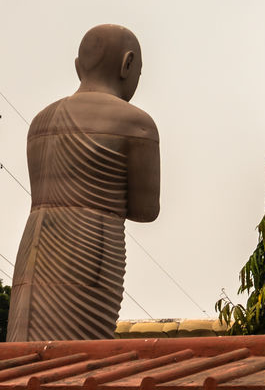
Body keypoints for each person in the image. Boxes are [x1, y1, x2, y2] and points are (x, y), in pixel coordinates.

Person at [8, 24, 160, 340]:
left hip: (35, 246)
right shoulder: (137, 124)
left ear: (79, 67)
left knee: (28, 348)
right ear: (127, 64)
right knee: (79, 354)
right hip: (90, 247)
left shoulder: (40, 121)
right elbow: (145, 210)